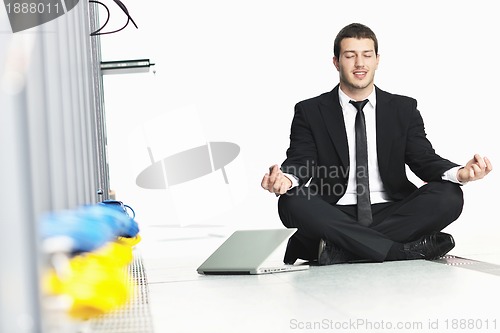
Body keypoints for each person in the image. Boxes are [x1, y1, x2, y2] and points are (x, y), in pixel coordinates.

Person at [261, 23, 492, 265]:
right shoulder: (310, 111)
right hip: (334, 212)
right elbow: (301, 160)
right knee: (291, 201)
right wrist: (286, 179)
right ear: (336, 62)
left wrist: (460, 173)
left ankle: (342, 250)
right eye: (350, 56)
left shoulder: (403, 108)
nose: (359, 63)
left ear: (377, 60)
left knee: (449, 194)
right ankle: (399, 251)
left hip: (392, 210)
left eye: (367, 55)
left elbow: (423, 159)